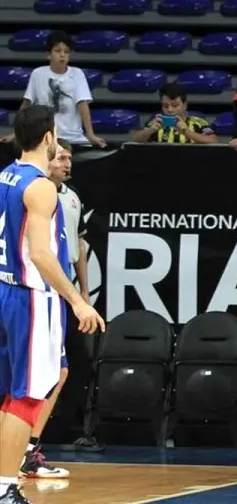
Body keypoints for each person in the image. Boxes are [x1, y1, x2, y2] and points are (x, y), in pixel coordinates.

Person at [0, 105, 104, 504]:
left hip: (10, 291)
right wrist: (77, 300)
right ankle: (7, 487)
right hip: (32, 295)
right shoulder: (40, 186)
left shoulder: (7, 175)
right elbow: (42, 254)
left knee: (14, 394)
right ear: (47, 138)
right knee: (27, 397)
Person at [17, 142, 90, 480]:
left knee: (58, 373)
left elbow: (78, 247)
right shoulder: (32, 188)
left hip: (58, 292)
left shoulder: (71, 198)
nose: (66, 162)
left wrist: (82, 293)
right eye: (60, 156)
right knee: (27, 381)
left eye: (70, 157)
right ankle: (16, 455)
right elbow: (39, 252)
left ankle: (28, 449)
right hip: (31, 290)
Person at [1, 32, 105, 149]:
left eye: (66, 52)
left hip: (73, 139)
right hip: (44, 139)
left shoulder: (77, 74)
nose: (62, 55)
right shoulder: (38, 74)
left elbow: (83, 104)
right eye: (58, 51)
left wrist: (90, 134)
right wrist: (15, 133)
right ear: (48, 54)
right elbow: (26, 106)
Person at [128, 83, 217, 144]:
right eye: (165, 106)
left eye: (175, 105)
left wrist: (187, 132)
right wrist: (150, 131)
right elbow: (135, 140)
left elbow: (213, 141)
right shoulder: (156, 121)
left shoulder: (198, 122)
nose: (170, 110)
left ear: (185, 105)